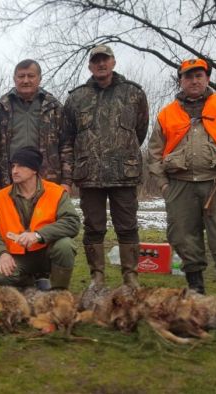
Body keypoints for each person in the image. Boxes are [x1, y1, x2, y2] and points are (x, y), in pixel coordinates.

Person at [147, 58, 216, 306]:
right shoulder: (167, 113)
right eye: (188, 76)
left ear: (207, 78)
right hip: (180, 185)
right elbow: (154, 153)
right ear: (181, 80)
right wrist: (164, 185)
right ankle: (195, 288)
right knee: (184, 238)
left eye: (199, 76)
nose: (194, 80)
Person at [62, 44, 149, 290]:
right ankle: (97, 278)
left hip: (124, 173)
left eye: (105, 60)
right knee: (93, 227)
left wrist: (123, 152)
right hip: (90, 176)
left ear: (113, 62)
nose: (101, 64)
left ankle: (130, 278)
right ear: (90, 65)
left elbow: (139, 131)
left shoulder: (133, 94)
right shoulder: (76, 98)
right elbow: (68, 137)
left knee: (127, 226)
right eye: (96, 60)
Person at [0, 147, 80, 290]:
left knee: (65, 246)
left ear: (34, 170)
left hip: (48, 251)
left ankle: (59, 292)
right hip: (19, 256)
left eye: (21, 166)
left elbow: (72, 222)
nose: (14, 171)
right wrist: (2, 254)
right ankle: (29, 283)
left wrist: (38, 235)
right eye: (13, 166)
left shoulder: (56, 192)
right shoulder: (1, 197)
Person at [0, 59, 71, 192]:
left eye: (31, 76)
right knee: (9, 213)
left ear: (40, 78)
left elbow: (66, 146)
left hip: (48, 179)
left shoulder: (54, 107)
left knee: (45, 214)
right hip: (8, 180)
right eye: (21, 76)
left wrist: (67, 181)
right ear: (14, 78)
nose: (25, 80)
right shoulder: (1, 107)